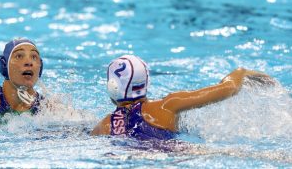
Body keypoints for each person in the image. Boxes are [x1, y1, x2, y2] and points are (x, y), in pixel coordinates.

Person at [91, 55, 273, 140]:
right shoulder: (167, 106)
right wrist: (241, 72)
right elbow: (229, 88)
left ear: (112, 87)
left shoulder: (105, 125)